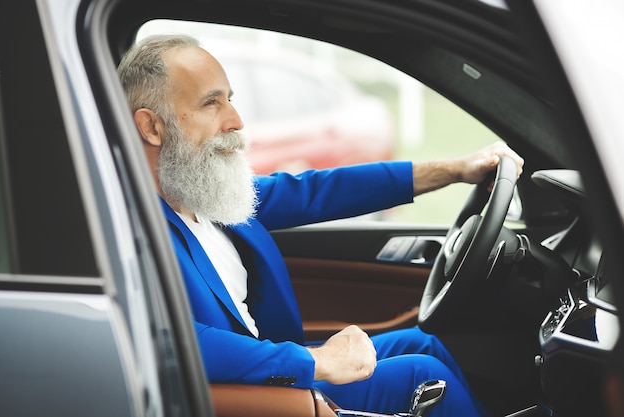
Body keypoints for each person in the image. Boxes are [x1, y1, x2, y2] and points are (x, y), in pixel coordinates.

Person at [117, 33, 524, 417]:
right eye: (212, 104)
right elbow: (169, 338)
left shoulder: (205, 196)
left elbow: (318, 190)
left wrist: (454, 170)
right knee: (423, 375)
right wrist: (316, 361)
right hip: (252, 395)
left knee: (423, 345)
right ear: (151, 126)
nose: (236, 120)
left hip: (274, 372)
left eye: (231, 100)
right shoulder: (131, 226)